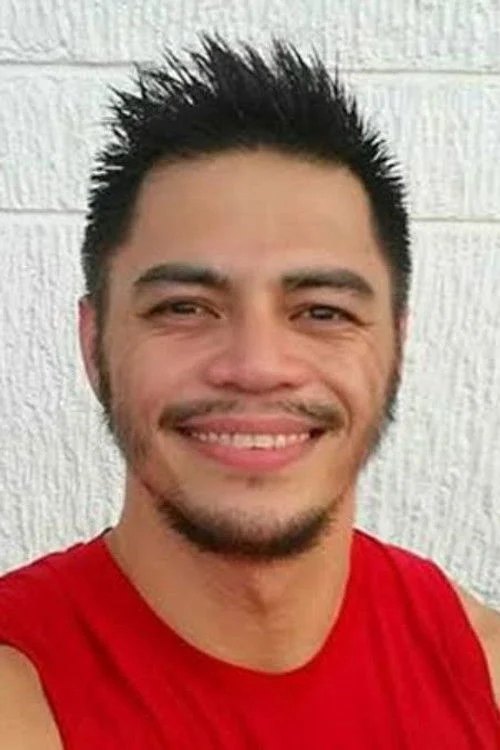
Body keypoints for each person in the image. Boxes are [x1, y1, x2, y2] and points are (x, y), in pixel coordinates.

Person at [0, 35, 499, 749]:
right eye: (184, 308)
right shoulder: (21, 692)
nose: (258, 366)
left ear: (395, 345)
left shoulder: (480, 668)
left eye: (322, 311)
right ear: (94, 344)